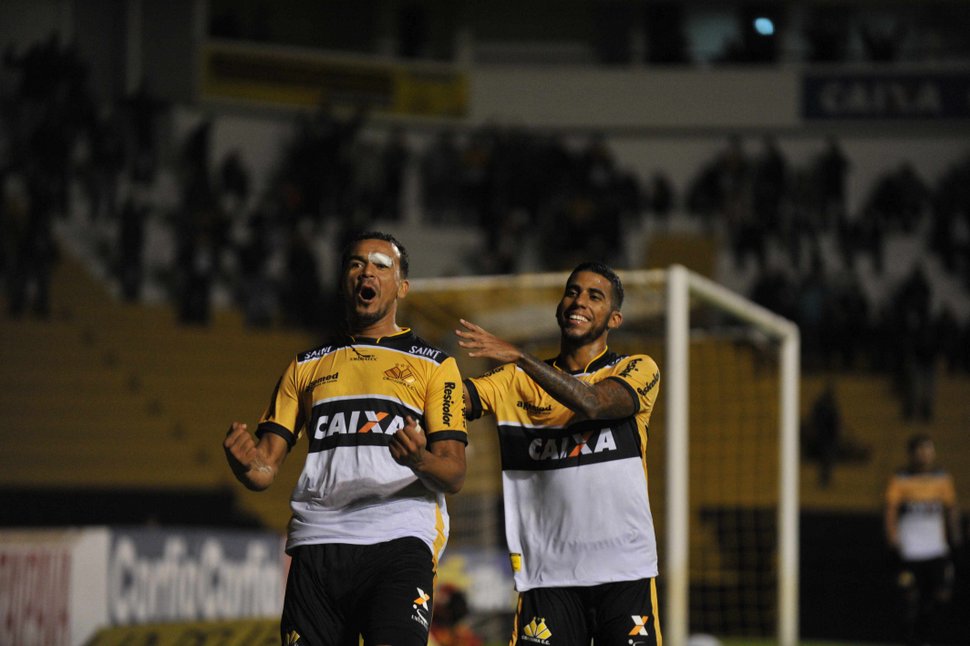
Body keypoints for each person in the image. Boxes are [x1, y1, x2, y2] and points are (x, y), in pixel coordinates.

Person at [224, 231, 468, 645]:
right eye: (355, 264)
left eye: (380, 265)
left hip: (398, 537)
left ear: (401, 287)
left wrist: (419, 460)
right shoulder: (305, 366)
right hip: (318, 542)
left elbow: (454, 472)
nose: (365, 272)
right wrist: (246, 463)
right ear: (344, 280)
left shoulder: (436, 366)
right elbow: (264, 469)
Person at [455, 261, 663, 645]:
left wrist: (520, 356)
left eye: (593, 296)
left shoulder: (637, 369)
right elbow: (456, 399)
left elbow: (594, 405)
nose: (578, 301)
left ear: (614, 318)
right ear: (558, 307)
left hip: (624, 573)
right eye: (572, 291)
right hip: (547, 577)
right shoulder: (515, 382)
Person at [885, 433, 963, 646]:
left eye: (928, 450)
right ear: (911, 454)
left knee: (940, 596)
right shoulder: (900, 479)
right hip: (910, 550)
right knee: (909, 598)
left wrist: (955, 538)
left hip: (936, 550)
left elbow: (951, 508)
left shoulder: (942, 478)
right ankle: (912, 639)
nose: (925, 455)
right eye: (920, 450)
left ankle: (925, 637)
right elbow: (891, 510)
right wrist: (892, 539)